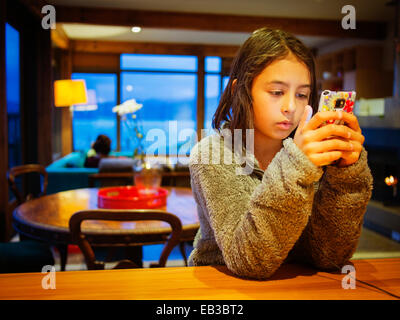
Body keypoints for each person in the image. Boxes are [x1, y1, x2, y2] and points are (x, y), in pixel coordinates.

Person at [188, 28, 373, 279]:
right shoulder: (212, 153)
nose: (291, 107)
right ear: (239, 90)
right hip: (222, 286)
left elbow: (329, 256)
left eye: (302, 95)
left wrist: (346, 174)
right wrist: (296, 164)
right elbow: (250, 261)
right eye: (276, 92)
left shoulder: (311, 153)